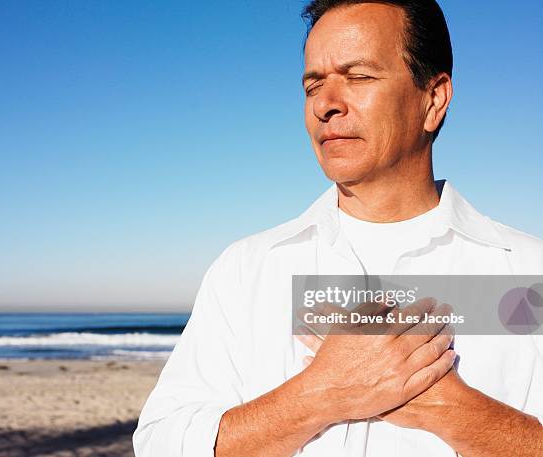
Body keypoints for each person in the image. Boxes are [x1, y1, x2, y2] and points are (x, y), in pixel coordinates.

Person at [133, 1, 543, 455]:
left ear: (434, 99)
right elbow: (160, 443)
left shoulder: (529, 272)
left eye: (359, 76)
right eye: (313, 85)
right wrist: (321, 392)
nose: (325, 105)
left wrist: (446, 405)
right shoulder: (247, 269)